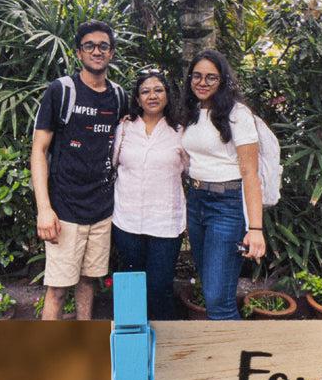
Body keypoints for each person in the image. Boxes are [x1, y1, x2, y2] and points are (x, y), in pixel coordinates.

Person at [30, 19, 126, 320]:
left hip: (102, 210)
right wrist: (44, 209)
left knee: (88, 282)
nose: (96, 51)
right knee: (57, 290)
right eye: (89, 46)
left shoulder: (119, 96)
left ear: (111, 53)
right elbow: (38, 150)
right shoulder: (62, 91)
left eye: (103, 46)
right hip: (64, 211)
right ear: (78, 52)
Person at [180, 49, 265, 320]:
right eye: (197, 76)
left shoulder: (237, 114)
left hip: (226, 206)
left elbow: (251, 173)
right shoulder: (192, 111)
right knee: (212, 291)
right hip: (196, 202)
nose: (202, 82)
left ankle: (237, 359)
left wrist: (255, 228)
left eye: (211, 78)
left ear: (223, 80)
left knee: (219, 302)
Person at [111, 70, 187, 320]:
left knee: (159, 289)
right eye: (145, 91)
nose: (152, 95)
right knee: (130, 288)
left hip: (165, 223)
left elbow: (191, 170)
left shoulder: (180, 131)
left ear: (167, 95)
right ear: (137, 97)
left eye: (158, 90)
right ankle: (130, 346)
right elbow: (113, 164)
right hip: (127, 221)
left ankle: (167, 348)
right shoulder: (123, 128)